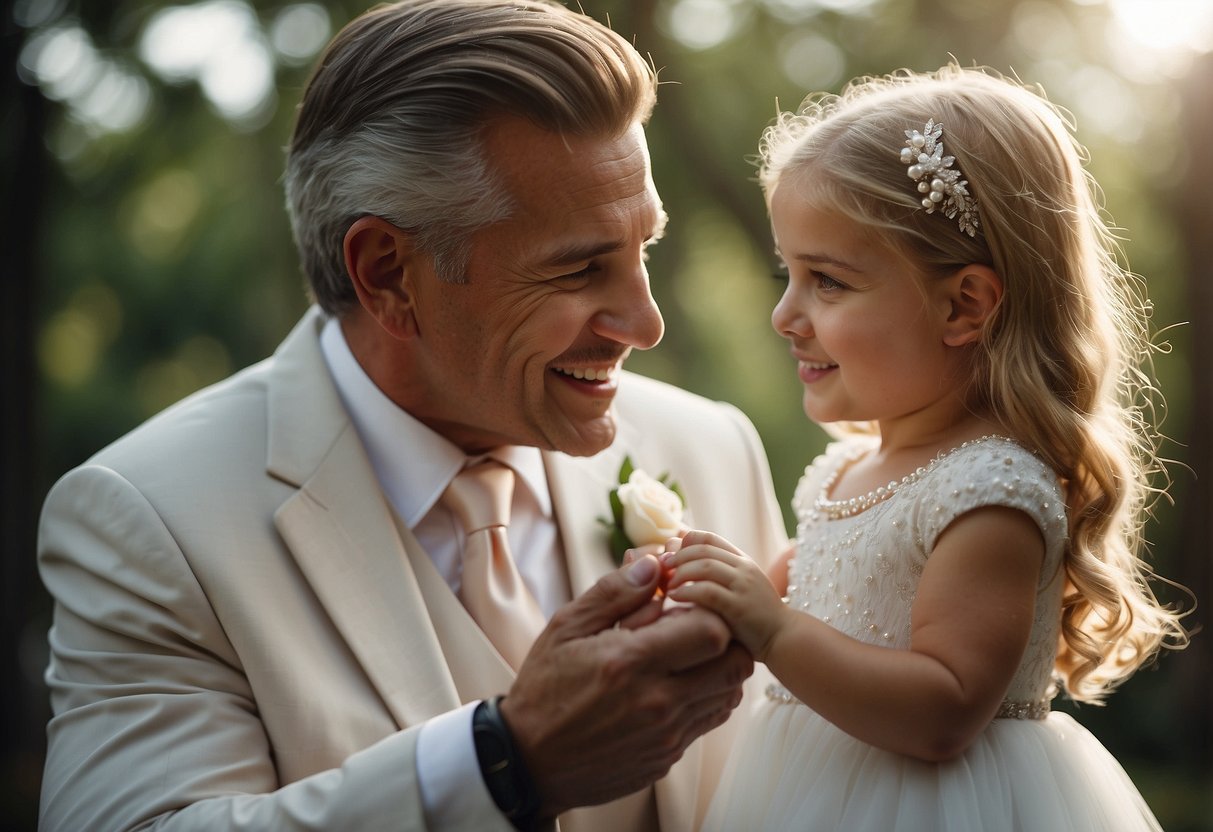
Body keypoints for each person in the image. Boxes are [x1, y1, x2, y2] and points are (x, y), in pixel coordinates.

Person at [35, 2, 787, 830]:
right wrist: (508, 762)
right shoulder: (148, 521)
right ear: (388, 272)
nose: (645, 325)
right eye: (578, 270)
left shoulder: (711, 447)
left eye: (641, 249)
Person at [660, 65, 1191, 831]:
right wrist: (704, 598)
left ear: (962, 305)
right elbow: (787, 603)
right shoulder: (842, 471)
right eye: (788, 273)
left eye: (827, 282)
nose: (785, 313)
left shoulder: (987, 492)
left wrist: (771, 629)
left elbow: (942, 711)